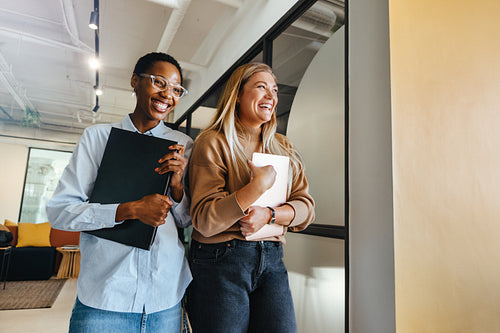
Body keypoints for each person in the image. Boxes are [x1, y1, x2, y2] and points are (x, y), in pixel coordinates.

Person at [46, 52, 192, 333]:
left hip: (165, 299)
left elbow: (186, 221)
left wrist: (176, 187)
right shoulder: (98, 137)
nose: (167, 94)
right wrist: (131, 209)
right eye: (159, 82)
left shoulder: (183, 144)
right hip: (105, 297)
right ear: (135, 81)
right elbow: (60, 213)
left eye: (176, 89)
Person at [187, 62, 315, 333]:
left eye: (275, 90)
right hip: (220, 259)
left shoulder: (283, 146)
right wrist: (256, 188)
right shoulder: (212, 142)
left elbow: (306, 208)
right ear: (237, 95)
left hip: (271, 258)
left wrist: (270, 216)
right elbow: (204, 220)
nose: (271, 96)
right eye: (261, 87)